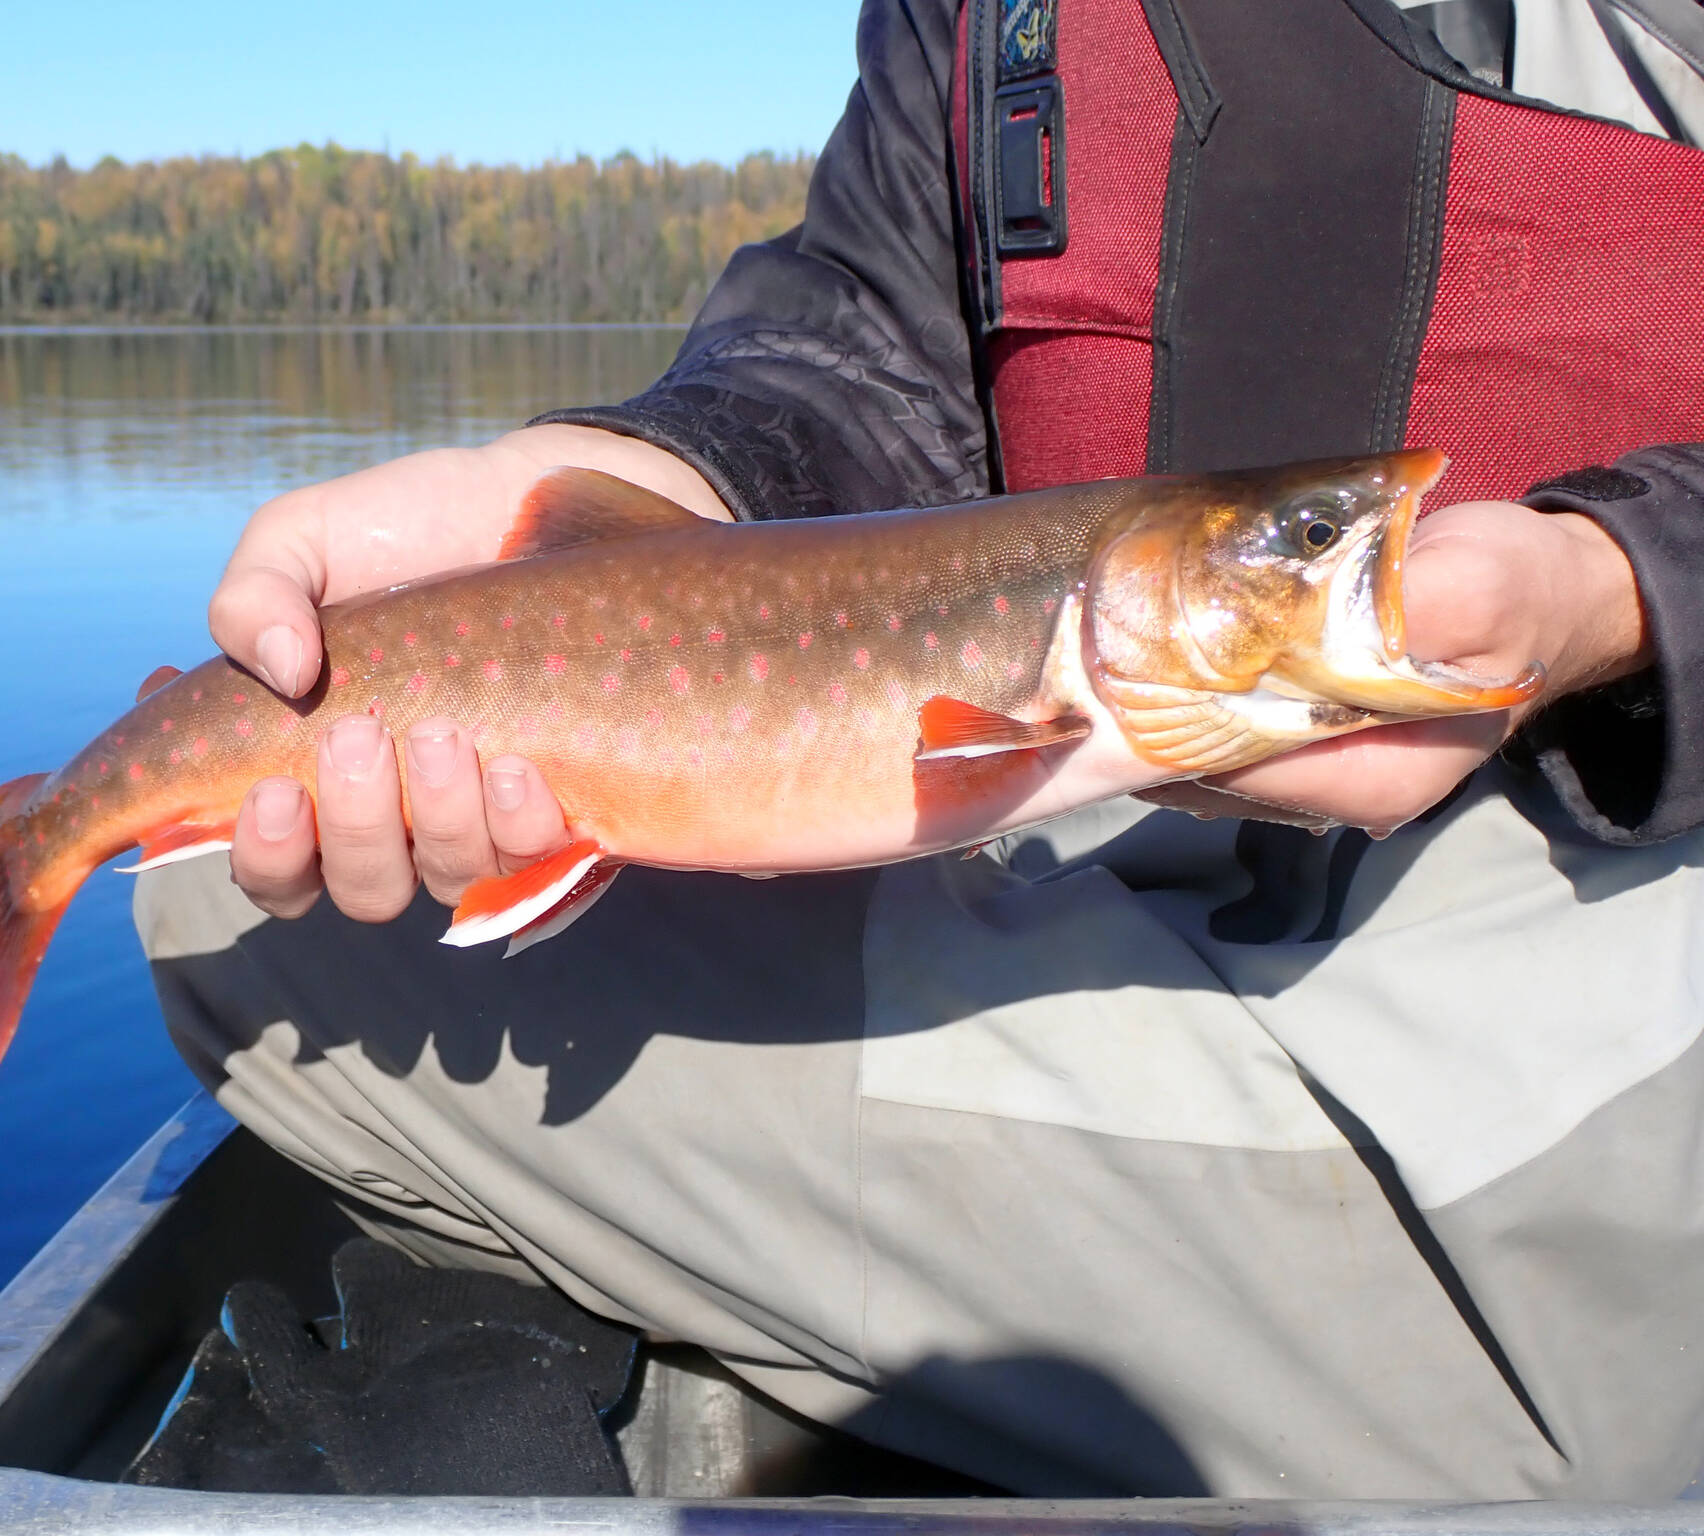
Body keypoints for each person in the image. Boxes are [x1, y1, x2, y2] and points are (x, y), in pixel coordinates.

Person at [136, 0, 1704, 1498]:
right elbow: (865, 352)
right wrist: (638, 479)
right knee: (235, 920)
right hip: (1119, 854)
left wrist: (1617, 588)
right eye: (1304, 542)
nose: (1342, 548)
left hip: (1601, 893)